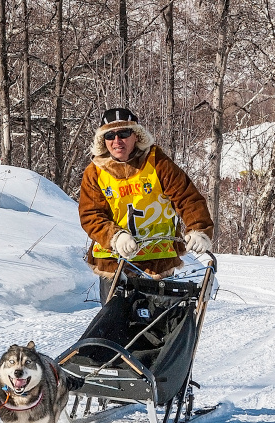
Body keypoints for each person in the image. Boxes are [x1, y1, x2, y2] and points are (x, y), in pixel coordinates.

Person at [79, 108, 213, 302]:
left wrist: (199, 229)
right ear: (103, 140)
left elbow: (187, 198)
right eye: (110, 135)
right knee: (116, 327)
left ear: (136, 135)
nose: (117, 141)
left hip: (157, 261)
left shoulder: (157, 163)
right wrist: (115, 237)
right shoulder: (95, 172)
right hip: (114, 262)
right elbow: (90, 214)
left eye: (124, 133)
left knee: (160, 326)